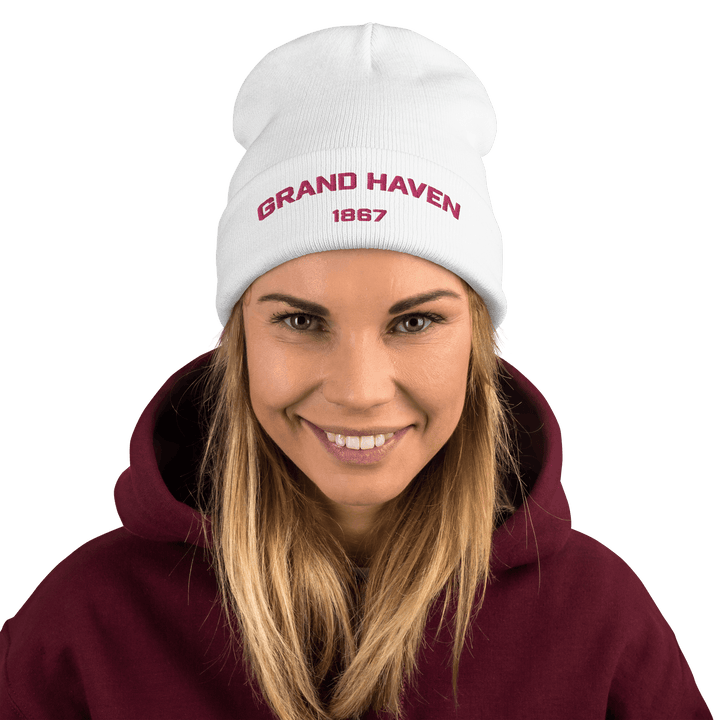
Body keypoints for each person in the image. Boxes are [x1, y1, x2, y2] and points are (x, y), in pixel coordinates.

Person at [0, 21, 713, 720]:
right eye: (301, 321)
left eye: (415, 322)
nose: (359, 392)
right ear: (235, 342)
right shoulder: (86, 622)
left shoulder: (600, 619)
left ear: (482, 344)